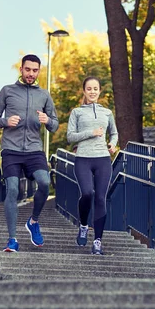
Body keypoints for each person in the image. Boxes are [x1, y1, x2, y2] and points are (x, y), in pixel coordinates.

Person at [0, 54, 59, 252]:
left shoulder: (44, 95)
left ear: (38, 71)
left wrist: (47, 121)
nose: (31, 74)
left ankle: (33, 221)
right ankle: (12, 239)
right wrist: (4, 121)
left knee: (44, 183)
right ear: (21, 69)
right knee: (12, 189)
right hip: (11, 149)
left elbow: (55, 125)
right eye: (27, 69)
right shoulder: (7, 91)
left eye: (35, 70)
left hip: (34, 150)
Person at [67, 77, 118, 255]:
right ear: (84, 91)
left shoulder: (107, 113)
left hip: (103, 159)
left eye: (95, 88)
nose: (93, 91)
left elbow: (114, 132)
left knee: (100, 198)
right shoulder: (77, 112)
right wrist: (91, 133)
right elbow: (70, 136)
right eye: (89, 89)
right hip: (83, 159)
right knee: (87, 193)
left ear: (100, 91)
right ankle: (83, 225)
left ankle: (97, 241)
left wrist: (112, 144)